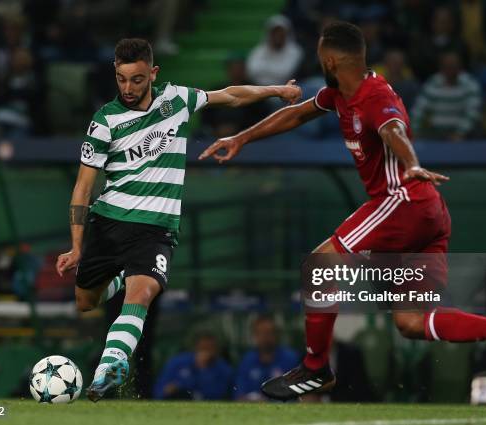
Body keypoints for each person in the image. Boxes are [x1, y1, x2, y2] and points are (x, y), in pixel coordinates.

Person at [199, 22, 486, 401]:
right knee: (409, 322)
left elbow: (393, 129)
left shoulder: (374, 95)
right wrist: (241, 137)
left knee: (320, 263)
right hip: (429, 213)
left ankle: (316, 367)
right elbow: (296, 114)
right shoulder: (341, 93)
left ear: (329, 60)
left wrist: (410, 163)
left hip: (402, 200)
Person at [54, 38, 301, 402]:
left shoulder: (176, 100)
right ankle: (123, 274)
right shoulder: (104, 121)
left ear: (153, 73)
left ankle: (111, 364)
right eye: (122, 79)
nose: (128, 88)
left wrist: (276, 90)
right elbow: (82, 188)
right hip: (109, 223)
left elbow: (231, 95)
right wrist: (76, 246)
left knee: (142, 293)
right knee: (85, 301)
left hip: (156, 227)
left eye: (137, 80)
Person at [411, 51, 482, 141]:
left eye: (453, 67)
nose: (450, 70)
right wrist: (414, 131)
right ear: (441, 67)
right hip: (435, 132)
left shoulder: (470, 84)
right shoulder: (433, 83)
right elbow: (418, 110)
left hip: (463, 133)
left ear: (460, 67)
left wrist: (460, 133)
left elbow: (472, 113)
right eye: (447, 67)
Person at [234, 316, 298, 400]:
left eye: (269, 332)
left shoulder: (290, 359)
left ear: (276, 334)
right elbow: (239, 395)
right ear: (254, 336)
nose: (265, 337)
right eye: (260, 333)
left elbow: (298, 394)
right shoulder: (247, 361)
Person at [153, 332, 233, 400]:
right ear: (196, 347)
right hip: (175, 401)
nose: (206, 352)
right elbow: (159, 391)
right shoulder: (178, 362)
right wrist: (174, 387)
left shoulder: (223, 368)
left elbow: (218, 394)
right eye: (203, 348)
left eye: (210, 348)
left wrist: (202, 369)